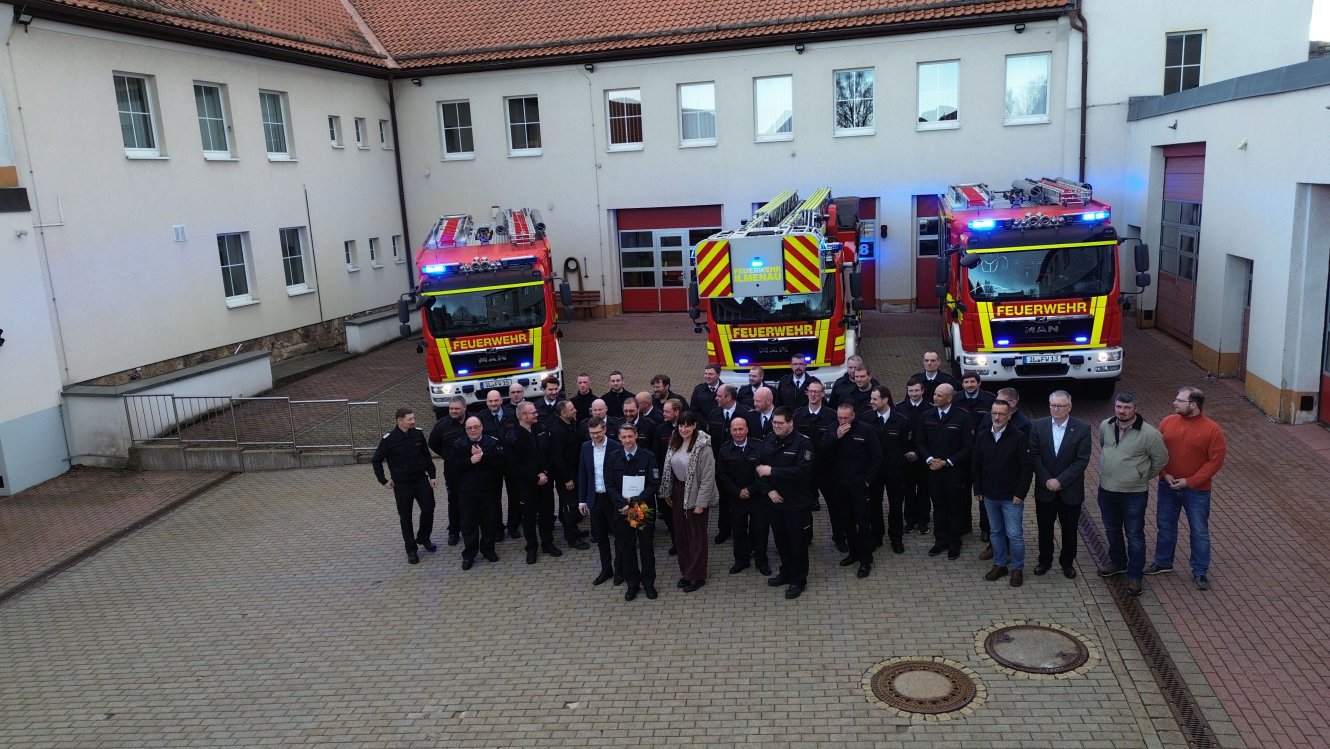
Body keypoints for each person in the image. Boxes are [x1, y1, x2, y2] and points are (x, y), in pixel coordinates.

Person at [1148, 386, 1226, 591]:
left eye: (1179, 400)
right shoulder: (1167, 422)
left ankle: (1200, 571)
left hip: (1197, 491)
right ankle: (1163, 562)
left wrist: (1190, 481)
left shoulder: (1213, 430)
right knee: (1165, 525)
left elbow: (1215, 462)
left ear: (1193, 405)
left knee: (1199, 531)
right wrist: (1164, 473)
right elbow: (1156, 450)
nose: (1174, 403)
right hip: (1168, 486)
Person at [1096, 391, 1169, 596]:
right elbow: (1103, 445)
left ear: (1135, 409)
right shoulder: (1105, 425)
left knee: (1135, 535)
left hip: (1133, 494)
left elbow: (1161, 459)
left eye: (1127, 407)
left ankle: (1135, 575)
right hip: (1107, 490)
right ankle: (1118, 562)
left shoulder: (1150, 434)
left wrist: (1141, 476)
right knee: (1112, 529)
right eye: (1119, 406)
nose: (1122, 411)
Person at [1027, 390, 1091, 579]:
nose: (1056, 409)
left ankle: (1067, 562)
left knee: (1070, 529)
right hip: (1045, 488)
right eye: (1053, 405)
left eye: (1060, 406)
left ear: (1069, 407)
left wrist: (1060, 481)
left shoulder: (1082, 428)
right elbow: (1034, 455)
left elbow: (1082, 460)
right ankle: (1044, 560)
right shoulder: (1038, 426)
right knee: (1044, 527)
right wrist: (1047, 479)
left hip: (1070, 490)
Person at [971, 399, 1034, 587]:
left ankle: (1017, 568)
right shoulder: (982, 436)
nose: (997, 417)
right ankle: (1000, 565)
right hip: (989, 496)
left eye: (1001, 414)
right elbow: (976, 464)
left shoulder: (1019, 437)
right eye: (994, 413)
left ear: (1009, 415)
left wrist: (1020, 493)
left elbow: (1026, 468)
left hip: (1011, 498)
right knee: (996, 532)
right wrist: (978, 488)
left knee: (1014, 534)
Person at [755, 407, 815, 599]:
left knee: (797, 543)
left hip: (796, 503)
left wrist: (772, 471)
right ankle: (786, 572)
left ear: (790, 423)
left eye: (780, 423)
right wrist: (769, 491)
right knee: (781, 541)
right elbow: (759, 468)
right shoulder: (769, 439)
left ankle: (798, 580)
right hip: (774, 501)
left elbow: (802, 471)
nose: (776, 426)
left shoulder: (803, 443)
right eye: (774, 422)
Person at [659, 411, 718, 593]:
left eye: (687, 425)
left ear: (694, 426)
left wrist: (701, 504)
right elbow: (669, 469)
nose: (684, 429)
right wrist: (668, 491)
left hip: (696, 493)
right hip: (678, 491)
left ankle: (697, 575)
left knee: (696, 536)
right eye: (681, 425)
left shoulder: (703, 448)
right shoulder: (674, 442)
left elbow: (708, 478)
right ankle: (686, 572)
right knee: (682, 535)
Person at [372, 407, 438, 564]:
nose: (413, 421)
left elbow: (426, 455)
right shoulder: (389, 439)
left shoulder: (418, 434)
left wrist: (432, 475)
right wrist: (383, 480)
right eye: (410, 419)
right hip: (402, 485)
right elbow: (376, 460)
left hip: (421, 480)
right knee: (406, 517)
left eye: (413, 418)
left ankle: (423, 537)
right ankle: (411, 550)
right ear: (400, 421)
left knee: (428, 509)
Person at [824, 403, 882, 578]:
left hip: (859, 485)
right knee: (847, 521)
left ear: (853, 416)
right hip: (840, 485)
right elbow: (822, 450)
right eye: (839, 418)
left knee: (862, 523)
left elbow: (877, 457)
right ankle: (853, 553)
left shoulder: (866, 430)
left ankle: (866, 560)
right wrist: (836, 436)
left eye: (846, 418)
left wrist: (867, 481)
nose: (842, 421)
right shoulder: (832, 428)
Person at [916, 383, 972, 560]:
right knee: (938, 508)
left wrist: (947, 462)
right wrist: (929, 459)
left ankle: (954, 543)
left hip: (954, 472)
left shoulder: (963, 417)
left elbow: (968, 446)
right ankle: (940, 541)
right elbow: (920, 442)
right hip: (933, 471)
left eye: (939, 395)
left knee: (955, 509)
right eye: (934, 394)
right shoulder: (927, 416)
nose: (934, 398)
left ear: (949, 398)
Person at [605, 423, 660, 601]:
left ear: (636, 435)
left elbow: (654, 483)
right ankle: (632, 584)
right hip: (623, 510)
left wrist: (635, 502)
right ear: (619, 438)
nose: (627, 440)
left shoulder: (648, 457)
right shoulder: (613, 458)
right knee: (627, 548)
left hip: (642, 509)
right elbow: (609, 484)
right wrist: (623, 504)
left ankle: (649, 583)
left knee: (646, 547)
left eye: (630, 436)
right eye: (624, 437)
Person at [445, 416, 506, 569]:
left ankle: (488, 550)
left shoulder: (492, 442)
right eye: (469, 428)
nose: (473, 430)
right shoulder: (459, 444)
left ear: (482, 427)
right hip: (467, 492)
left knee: (489, 523)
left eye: (476, 427)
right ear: (465, 430)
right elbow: (453, 467)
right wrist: (470, 461)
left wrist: (483, 456)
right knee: (468, 524)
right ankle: (469, 555)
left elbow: (501, 462)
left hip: (488, 491)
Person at [508, 401, 561, 564]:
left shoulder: (541, 429)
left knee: (546, 514)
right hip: (527, 485)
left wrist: (545, 473)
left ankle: (547, 543)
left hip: (545, 482)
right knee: (529, 518)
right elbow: (515, 466)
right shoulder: (514, 437)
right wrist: (535, 478)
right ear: (523, 416)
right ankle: (531, 547)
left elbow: (549, 454)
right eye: (533, 412)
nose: (537, 414)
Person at [717, 415, 769, 576]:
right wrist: (737, 491)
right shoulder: (724, 450)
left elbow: (763, 472)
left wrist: (750, 490)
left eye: (741, 429)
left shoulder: (759, 446)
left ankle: (761, 561)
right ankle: (741, 561)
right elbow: (722, 474)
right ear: (730, 431)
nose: (738, 432)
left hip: (757, 496)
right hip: (736, 498)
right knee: (738, 531)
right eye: (735, 429)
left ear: (747, 430)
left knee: (760, 530)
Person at [863, 385, 911, 554]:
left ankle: (896, 538)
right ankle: (876, 536)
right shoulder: (866, 419)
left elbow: (906, 445)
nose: (871, 402)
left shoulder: (901, 420)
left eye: (874, 399)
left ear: (885, 400)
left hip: (895, 471)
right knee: (874, 505)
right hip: (874, 472)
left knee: (896, 506)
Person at [578, 418, 624, 586]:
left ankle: (620, 569)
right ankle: (606, 569)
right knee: (600, 537)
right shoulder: (585, 447)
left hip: (612, 499)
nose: (595, 436)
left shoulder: (616, 446)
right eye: (592, 433)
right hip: (595, 499)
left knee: (618, 536)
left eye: (598, 432)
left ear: (604, 429)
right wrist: (582, 500)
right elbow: (583, 474)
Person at [795, 381, 840, 550]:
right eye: (811, 391)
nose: (813, 395)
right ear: (806, 393)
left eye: (817, 392)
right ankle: (806, 537)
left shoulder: (832, 416)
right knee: (804, 505)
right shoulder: (798, 415)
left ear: (822, 394)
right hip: (805, 470)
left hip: (826, 469)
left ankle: (839, 536)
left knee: (834, 505)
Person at [548, 399, 591, 550]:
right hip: (566, 476)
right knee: (570, 506)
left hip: (574, 471)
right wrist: (567, 479)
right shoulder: (557, 431)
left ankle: (573, 530)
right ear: (563, 413)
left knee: (568, 505)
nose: (575, 410)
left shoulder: (571, 424)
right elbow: (558, 458)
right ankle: (572, 538)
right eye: (571, 409)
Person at [479, 388, 521, 540]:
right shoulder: (481, 418)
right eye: (490, 401)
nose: (493, 403)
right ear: (486, 402)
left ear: (501, 401)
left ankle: (513, 526)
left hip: (510, 462)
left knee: (514, 495)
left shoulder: (512, 415)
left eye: (496, 400)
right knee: (493, 497)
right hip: (492, 464)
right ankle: (498, 528)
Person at [427, 395, 468, 546]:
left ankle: (471, 527)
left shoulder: (473, 420)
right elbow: (433, 443)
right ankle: (454, 531)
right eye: (451, 408)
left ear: (464, 408)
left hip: (472, 468)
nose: (453, 411)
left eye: (457, 409)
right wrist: (447, 455)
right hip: (453, 470)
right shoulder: (442, 425)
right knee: (454, 500)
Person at [901, 378, 931, 534]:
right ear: (907, 391)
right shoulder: (899, 408)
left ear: (922, 391)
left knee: (924, 490)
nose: (914, 393)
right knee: (908, 490)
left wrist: (919, 453)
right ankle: (910, 520)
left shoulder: (930, 409)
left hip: (924, 457)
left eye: (917, 390)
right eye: (911, 391)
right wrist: (906, 454)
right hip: (906, 458)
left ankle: (923, 520)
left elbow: (932, 436)